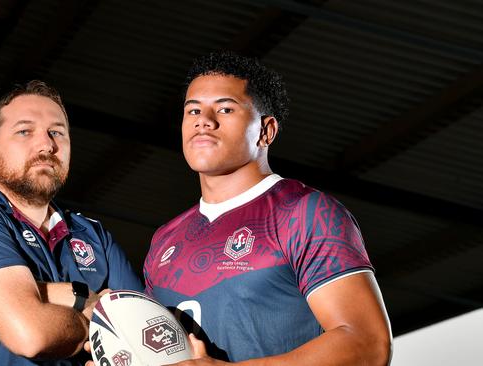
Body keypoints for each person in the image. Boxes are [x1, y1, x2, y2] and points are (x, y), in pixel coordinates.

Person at [143, 51, 392, 365]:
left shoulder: (305, 213)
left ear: (266, 130)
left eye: (225, 108)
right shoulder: (164, 239)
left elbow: (368, 343)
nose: (204, 120)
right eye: (192, 110)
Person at [0, 80, 143, 366]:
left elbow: (144, 331)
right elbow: (31, 336)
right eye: (25, 131)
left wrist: (48, 299)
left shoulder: (93, 235)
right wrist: (89, 308)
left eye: (57, 133)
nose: (47, 144)